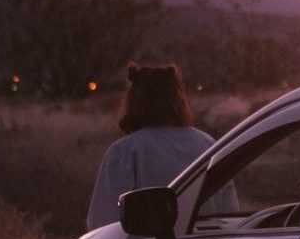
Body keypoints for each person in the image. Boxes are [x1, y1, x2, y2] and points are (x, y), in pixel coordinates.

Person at [85, 62, 213, 230]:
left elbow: (101, 222)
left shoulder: (125, 151)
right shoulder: (207, 144)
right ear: (178, 100)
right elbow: (227, 210)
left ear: (134, 101)